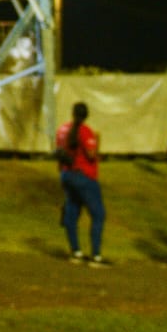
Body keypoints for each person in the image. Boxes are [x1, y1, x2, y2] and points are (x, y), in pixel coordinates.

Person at [55, 101, 106, 264]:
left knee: (72, 211)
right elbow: (91, 155)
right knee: (98, 214)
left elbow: (60, 153)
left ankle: (75, 252)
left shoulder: (62, 130)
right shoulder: (85, 131)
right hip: (83, 175)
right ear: (86, 115)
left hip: (66, 174)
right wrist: (98, 143)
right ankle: (96, 255)